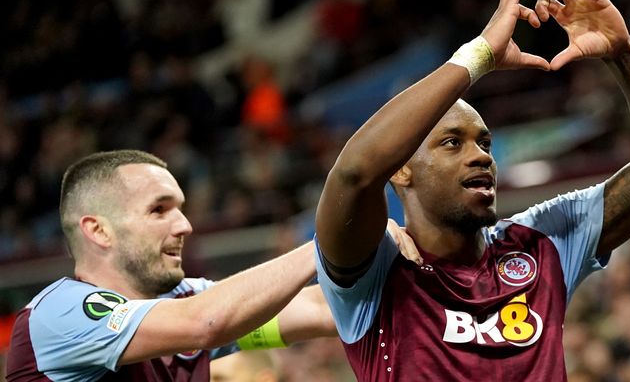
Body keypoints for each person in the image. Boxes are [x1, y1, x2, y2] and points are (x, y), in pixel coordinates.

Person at [314, 0, 630, 381]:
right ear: (402, 171)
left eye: (484, 142)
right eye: (452, 143)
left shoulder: (544, 244)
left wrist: (623, 53)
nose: (481, 155)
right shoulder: (372, 272)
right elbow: (353, 174)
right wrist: (478, 56)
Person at [4, 149, 417, 381]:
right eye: (159, 210)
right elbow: (207, 322)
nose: (184, 225)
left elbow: (318, 309)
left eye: (180, 209)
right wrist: (327, 242)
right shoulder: (59, 314)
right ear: (99, 231)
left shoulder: (179, 301)